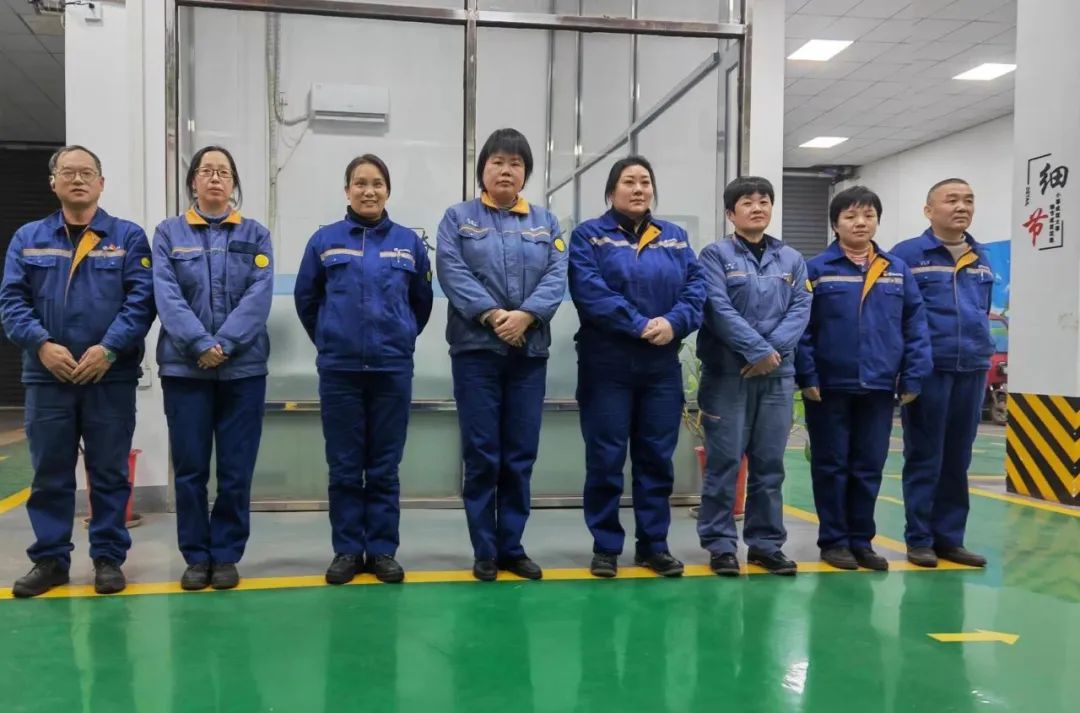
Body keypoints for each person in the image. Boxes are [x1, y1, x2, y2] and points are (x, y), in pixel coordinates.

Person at [0, 145, 155, 597]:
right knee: (50, 473)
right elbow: (11, 302)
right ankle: (50, 559)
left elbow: (141, 301)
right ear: (54, 183)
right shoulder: (28, 237)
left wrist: (108, 350)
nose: (78, 179)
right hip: (48, 377)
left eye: (87, 172)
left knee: (109, 472)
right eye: (68, 172)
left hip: (109, 377)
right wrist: (42, 345)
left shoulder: (127, 238)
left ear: (102, 183)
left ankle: (108, 558)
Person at [436, 128, 568, 582]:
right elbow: (451, 272)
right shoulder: (458, 218)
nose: (506, 170)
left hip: (529, 354)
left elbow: (557, 275)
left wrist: (526, 316)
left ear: (526, 172)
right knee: (482, 454)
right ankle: (485, 550)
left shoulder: (546, 223)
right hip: (476, 352)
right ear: (483, 170)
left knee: (519, 454)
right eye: (497, 162)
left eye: (515, 163)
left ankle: (512, 546)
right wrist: (495, 316)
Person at [295, 154, 433, 585]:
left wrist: (401, 336)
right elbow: (307, 300)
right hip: (340, 371)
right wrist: (332, 338)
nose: (368, 191)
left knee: (385, 465)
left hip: (392, 369)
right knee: (344, 465)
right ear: (347, 190)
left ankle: (383, 550)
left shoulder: (408, 243)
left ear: (387, 191)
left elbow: (421, 302)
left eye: (377, 183)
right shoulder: (324, 241)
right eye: (360, 183)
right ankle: (348, 551)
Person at [568, 156, 705, 578]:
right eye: (629, 182)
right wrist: (640, 324)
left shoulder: (675, 238)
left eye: (645, 181)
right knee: (606, 457)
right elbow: (590, 291)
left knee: (656, 458)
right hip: (606, 364)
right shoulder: (589, 236)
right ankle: (606, 546)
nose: (639, 189)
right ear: (611, 191)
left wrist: (674, 323)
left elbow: (696, 288)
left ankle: (654, 545)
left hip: (660, 365)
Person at [153, 145, 273, 591]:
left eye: (224, 171)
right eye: (207, 171)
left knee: (236, 470)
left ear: (234, 182)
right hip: (185, 371)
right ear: (193, 182)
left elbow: (259, 296)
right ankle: (196, 556)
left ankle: (225, 555)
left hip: (243, 371)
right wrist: (200, 344)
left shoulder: (256, 235)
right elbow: (166, 294)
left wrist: (224, 344)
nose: (216, 178)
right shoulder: (168, 234)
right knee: (190, 470)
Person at [796, 186, 932, 571]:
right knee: (831, 465)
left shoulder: (896, 270)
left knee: (869, 466)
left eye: (868, 215)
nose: (860, 222)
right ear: (835, 224)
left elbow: (915, 326)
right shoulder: (816, 269)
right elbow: (802, 328)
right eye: (851, 216)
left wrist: (912, 377)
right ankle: (834, 541)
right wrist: (807, 374)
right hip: (828, 387)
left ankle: (862, 541)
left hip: (879, 386)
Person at [695, 176, 811, 577]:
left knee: (770, 465)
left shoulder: (791, 259)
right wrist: (757, 350)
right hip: (728, 375)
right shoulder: (714, 256)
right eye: (747, 202)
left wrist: (770, 353)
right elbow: (717, 308)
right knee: (724, 463)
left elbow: (801, 307)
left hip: (776, 377)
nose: (757, 208)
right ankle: (720, 545)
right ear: (731, 213)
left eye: (764, 201)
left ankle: (765, 544)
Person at [890, 178, 993, 568]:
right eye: (952, 200)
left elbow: (981, 311)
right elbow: (897, 315)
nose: (962, 207)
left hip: (972, 368)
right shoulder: (907, 255)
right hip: (928, 370)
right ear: (929, 210)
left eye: (968, 200)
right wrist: (906, 371)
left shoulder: (980, 256)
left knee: (957, 458)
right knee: (924, 455)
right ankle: (919, 539)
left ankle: (950, 539)